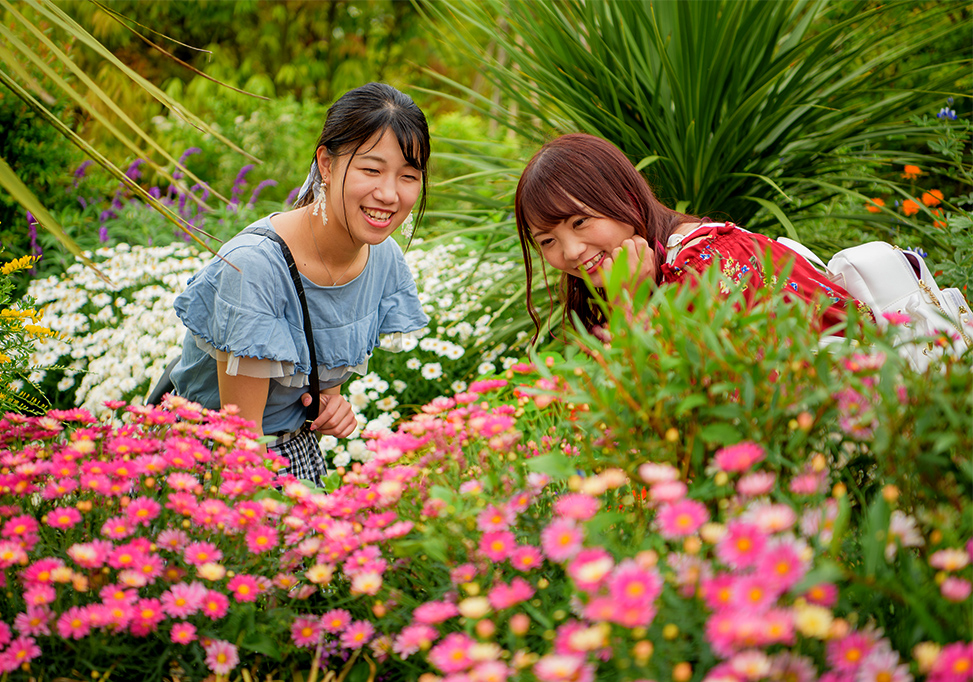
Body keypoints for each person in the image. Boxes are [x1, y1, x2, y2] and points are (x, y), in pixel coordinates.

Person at [171, 83, 430, 485]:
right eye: (371, 169)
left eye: (408, 176)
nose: (389, 194)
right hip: (210, 469)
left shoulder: (382, 257)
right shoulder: (255, 268)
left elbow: (321, 373)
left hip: (294, 453)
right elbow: (238, 445)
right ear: (326, 164)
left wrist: (333, 401)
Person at [515, 133, 869, 338]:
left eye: (580, 222)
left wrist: (631, 302)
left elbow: (676, 406)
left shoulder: (708, 264)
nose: (572, 250)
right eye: (548, 240)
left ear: (625, 197)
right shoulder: (656, 263)